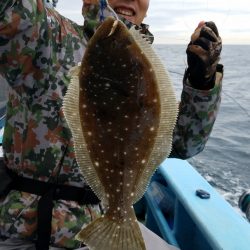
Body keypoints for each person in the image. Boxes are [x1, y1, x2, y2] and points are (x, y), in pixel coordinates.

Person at [0, 0, 223, 249]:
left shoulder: (148, 71)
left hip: (100, 218)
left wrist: (201, 83)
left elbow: (183, 144)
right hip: (21, 227)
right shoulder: (49, 35)